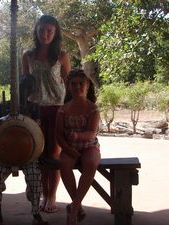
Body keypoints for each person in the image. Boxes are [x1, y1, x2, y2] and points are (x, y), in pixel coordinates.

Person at [0, 75, 48, 225]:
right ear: (14, 89)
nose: (24, 92)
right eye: (21, 88)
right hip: (4, 156)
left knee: (34, 176)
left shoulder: (34, 107)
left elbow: (36, 131)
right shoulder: (3, 106)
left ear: (32, 91)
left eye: (28, 89)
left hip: (29, 155)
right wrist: (8, 117)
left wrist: (26, 114)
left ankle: (36, 214)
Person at [21, 15, 71, 213]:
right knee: (38, 155)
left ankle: (52, 195)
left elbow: (69, 84)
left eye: (49, 31)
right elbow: (24, 84)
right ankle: (42, 192)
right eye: (42, 30)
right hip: (34, 109)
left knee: (54, 154)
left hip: (57, 109)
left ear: (56, 33)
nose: (45, 35)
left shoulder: (62, 56)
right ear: (36, 31)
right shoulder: (28, 55)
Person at [55, 69, 101, 225]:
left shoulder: (92, 108)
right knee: (64, 163)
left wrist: (78, 136)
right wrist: (67, 149)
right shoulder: (63, 109)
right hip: (70, 147)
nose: (77, 87)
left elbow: (91, 133)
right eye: (73, 84)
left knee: (91, 162)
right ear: (68, 87)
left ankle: (74, 207)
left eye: (81, 83)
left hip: (89, 146)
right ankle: (78, 204)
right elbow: (59, 135)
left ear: (87, 85)